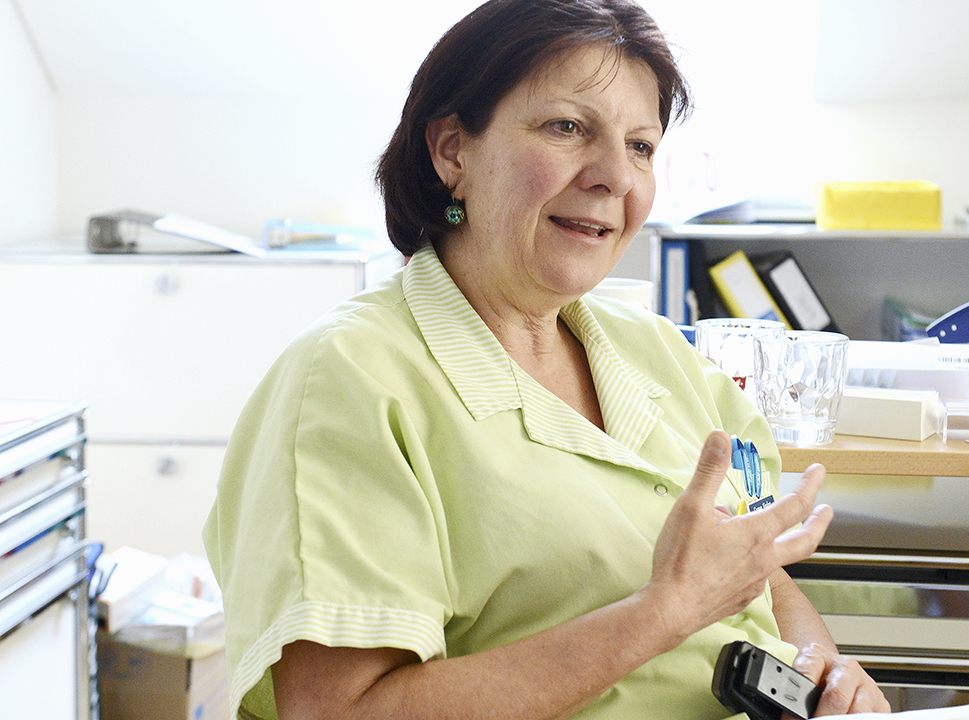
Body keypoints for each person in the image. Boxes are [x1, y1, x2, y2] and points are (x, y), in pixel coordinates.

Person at [202, 0, 889, 718]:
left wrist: (827, 674)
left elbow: (760, 578)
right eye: (568, 127)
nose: (615, 177)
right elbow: (341, 712)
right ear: (451, 151)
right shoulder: (350, 380)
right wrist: (661, 613)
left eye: (641, 147)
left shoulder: (661, 356)